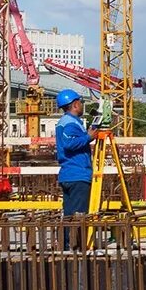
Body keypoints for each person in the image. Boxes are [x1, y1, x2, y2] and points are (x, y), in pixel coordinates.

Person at [54, 89, 94, 233]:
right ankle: (75, 247)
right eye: (81, 103)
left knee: (69, 216)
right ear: (75, 104)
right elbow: (69, 144)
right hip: (77, 175)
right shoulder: (70, 123)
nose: (82, 105)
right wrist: (88, 137)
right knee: (78, 217)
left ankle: (67, 247)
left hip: (69, 174)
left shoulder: (67, 122)